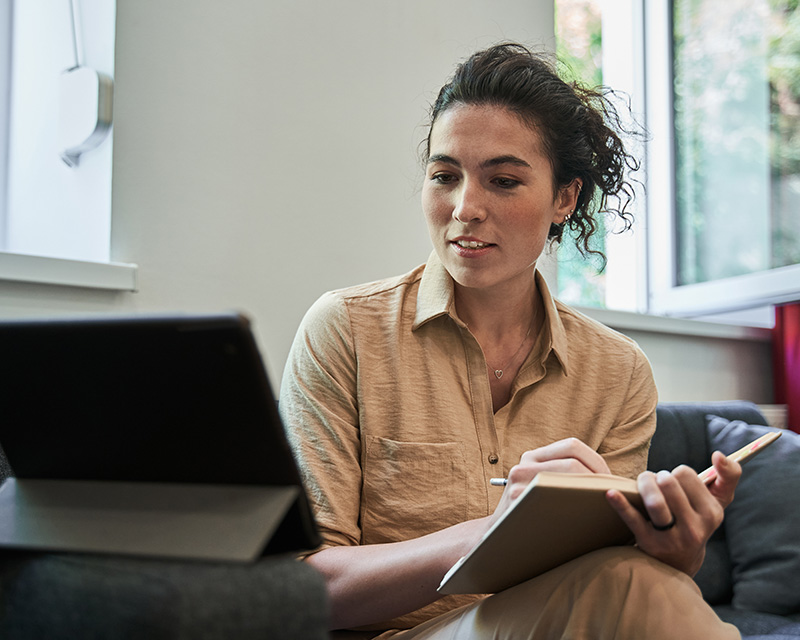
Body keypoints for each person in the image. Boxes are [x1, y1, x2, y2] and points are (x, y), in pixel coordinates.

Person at [280, 43, 742, 639]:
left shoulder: (618, 371)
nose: (465, 208)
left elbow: (606, 575)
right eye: (444, 176)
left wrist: (677, 551)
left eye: (502, 180)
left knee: (637, 582)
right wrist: (496, 530)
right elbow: (306, 591)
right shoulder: (344, 328)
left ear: (564, 199)